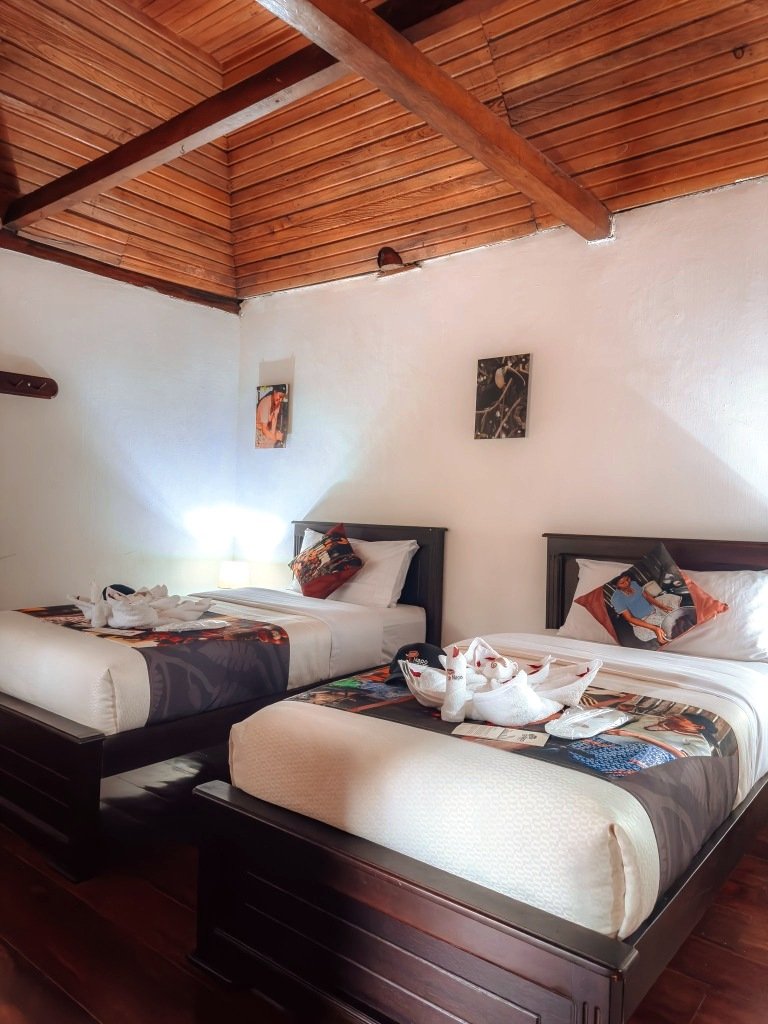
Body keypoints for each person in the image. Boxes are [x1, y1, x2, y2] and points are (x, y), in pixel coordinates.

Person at [609, 573, 693, 645]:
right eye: (622, 583)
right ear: (615, 585)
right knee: (667, 629)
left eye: (627, 579)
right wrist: (654, 628)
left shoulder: (633, 584)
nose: (627, 583)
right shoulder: (616, 599)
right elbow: (630, 618)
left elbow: (647, 596)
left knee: (671, 600)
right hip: (643, 619)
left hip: (652, 608)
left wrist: (662, 607)